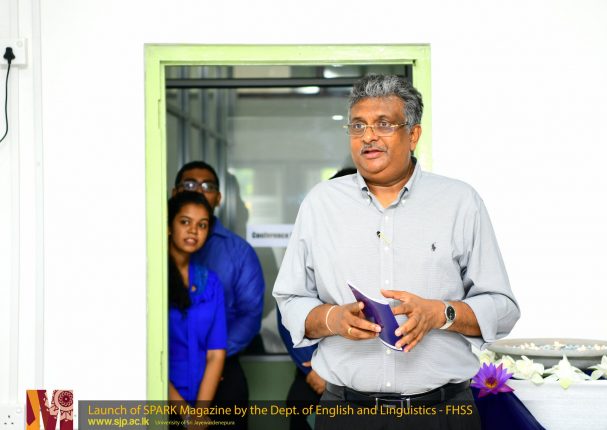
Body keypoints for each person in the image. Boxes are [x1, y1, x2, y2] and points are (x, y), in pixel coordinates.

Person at [273, 74, 520, 429]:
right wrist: (332, 319)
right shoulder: (320, 204)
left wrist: (442, 313)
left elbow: (503, 308)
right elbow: (290, 300)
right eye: (358, 125)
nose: (368, 136)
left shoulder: (460, 202)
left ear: (413, 135)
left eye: (383, 124)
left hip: (441, 414)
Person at [172, 161, 265, 430]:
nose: (199, 190)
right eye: (190, 184)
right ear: (175, 192)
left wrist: (213, 357)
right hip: (168, 376)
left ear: (219, 198)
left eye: (208, 186)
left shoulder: (231, 260)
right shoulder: (153, 262)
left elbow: (250, 315)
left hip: (222, 370)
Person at [277, 167, 357, 430]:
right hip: (314, 370)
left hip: (365, 376)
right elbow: (288, 306)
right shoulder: (314, 241)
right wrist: (313, 369)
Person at [168, 191, 226, 417]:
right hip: (159, 398)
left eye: (202, 225)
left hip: (202, 396)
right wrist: (186, 414)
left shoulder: (211, 282)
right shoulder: (152, 279)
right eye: (185, 222)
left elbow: (216, 354)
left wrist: (200, 414)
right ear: (169, 226)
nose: (193, 230)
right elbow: (148, 355)